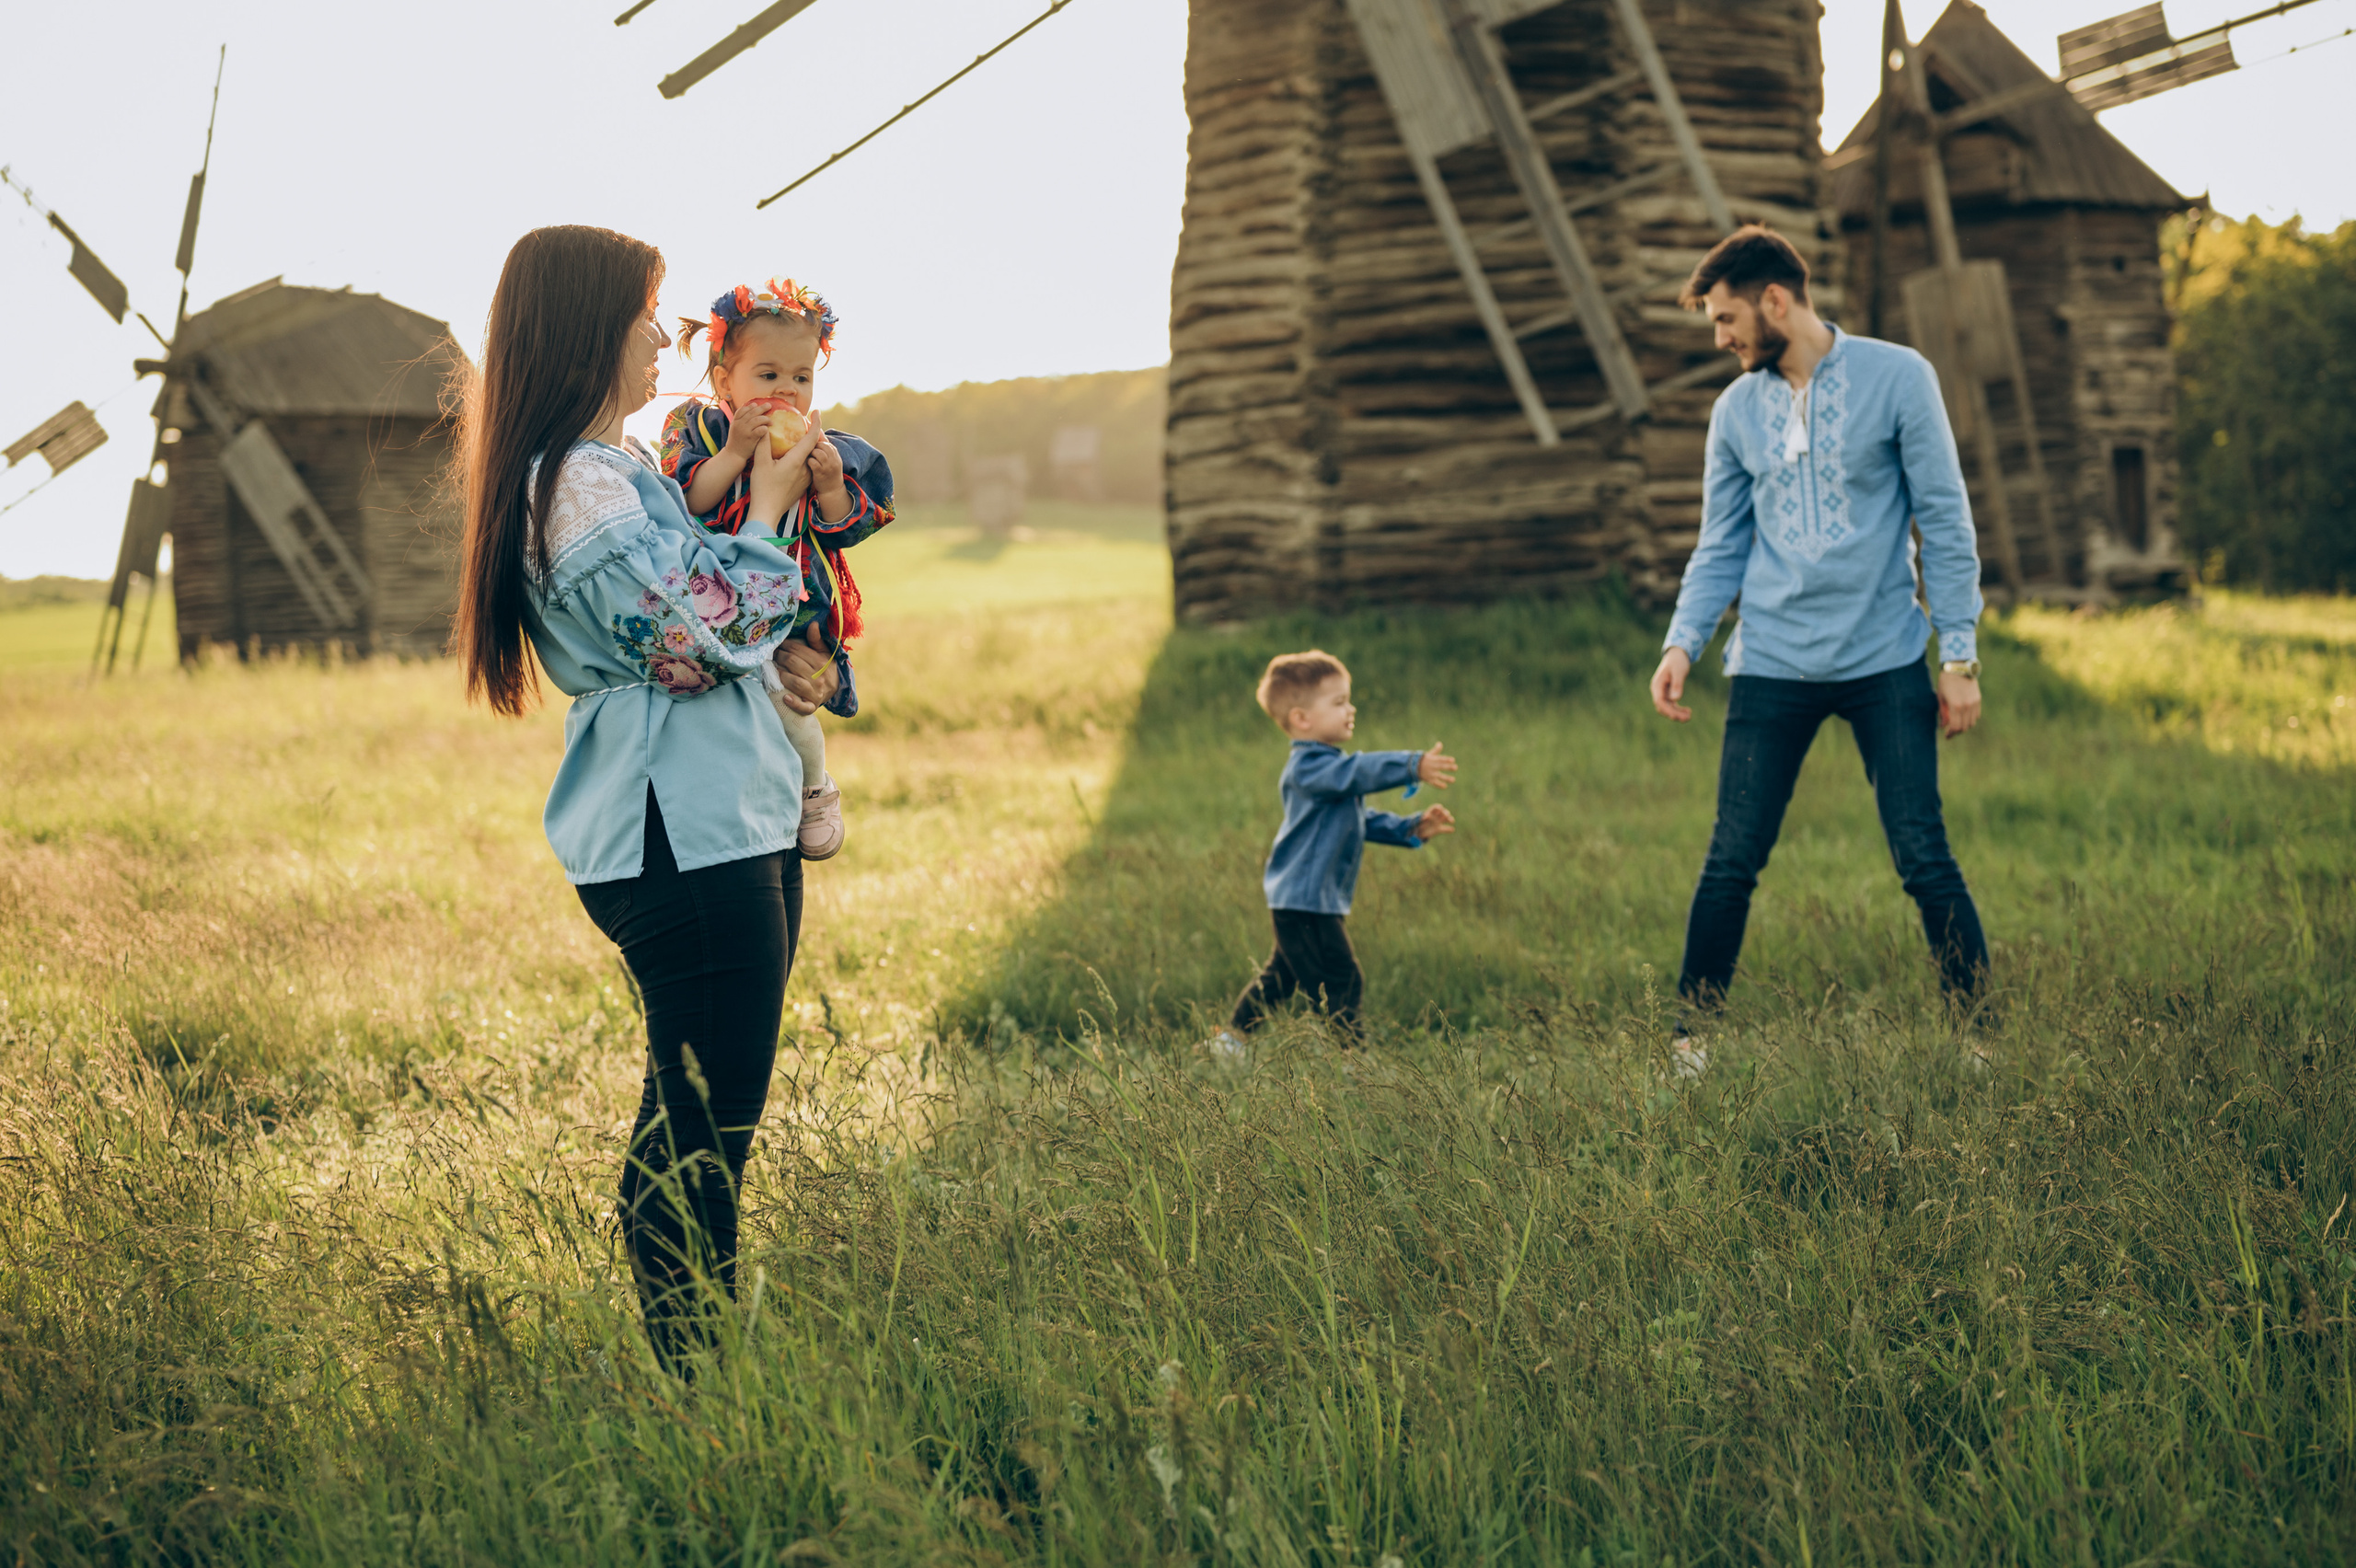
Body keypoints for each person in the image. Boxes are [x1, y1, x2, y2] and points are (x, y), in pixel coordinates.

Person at [453, 225, 838, 1373]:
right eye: (646, 318)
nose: (664, 340)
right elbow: (700, 631)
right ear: (589, 331)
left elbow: (725, 631)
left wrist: (787, 655)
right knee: (699, 1136)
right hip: (682, 829)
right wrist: (768, 511)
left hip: (729, 812)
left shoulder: (612, 466)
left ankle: (706, 1375)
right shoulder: (575, 482)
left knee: (714, 1115)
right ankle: (700, 1394)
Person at [1649, 225, 1991, 1078]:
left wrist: (1958, 658)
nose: (1720, 339)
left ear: (1775, 300)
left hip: (1884, 660)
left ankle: (1978, 1039)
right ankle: (1690, 1046)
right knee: (1732, 859)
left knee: (1923, 855)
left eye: (1727, 319)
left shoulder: (1899, 377)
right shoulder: (1736, 411)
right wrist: (1683, 643)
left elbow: (1945, 520)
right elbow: (1720, 544)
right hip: (1771, 663)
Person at [656, 278, 891, 862]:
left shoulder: (823, 448)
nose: (787, 390)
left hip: (796, 600)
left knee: (790, 702)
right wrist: (735, 454)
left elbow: (846, 529)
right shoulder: (701, 432)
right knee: (747, 705)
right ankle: (765, 793)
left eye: (801, 377)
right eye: (768, 375)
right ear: (724, 382)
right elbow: (691, 500)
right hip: (721, 599)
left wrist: (830, 486)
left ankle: (815, 788)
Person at [1209, 651, 1457, 1056]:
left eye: (1348, 700)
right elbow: (1357, 773)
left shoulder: (1328, 769)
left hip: (1303, 900)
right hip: (1305, 903)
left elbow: (1359, 820)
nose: (1350, 709)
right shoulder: (1309, 769)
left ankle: (1229, 1044)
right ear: (1302, 719)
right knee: (1341, 977)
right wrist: (1411, 765)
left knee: (1280, 978)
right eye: (1339, 702)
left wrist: (1410, 828)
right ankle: (1351, 1060)